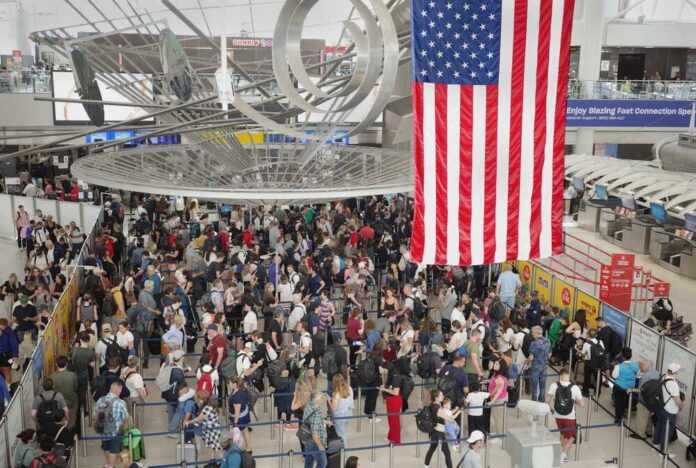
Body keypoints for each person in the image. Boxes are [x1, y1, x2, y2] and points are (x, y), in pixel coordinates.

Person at [546, 368, 584, 463]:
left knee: (563, 434)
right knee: (573, 435)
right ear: (569, 376)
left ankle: (563, 452)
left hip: (557, 415)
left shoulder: (554, 385)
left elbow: (546, 400)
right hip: (569, 416)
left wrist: (551, 409)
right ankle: (562, 455)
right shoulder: (574, 388)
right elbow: (582, 404)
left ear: (560, 376)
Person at [93, 381, 129, 468]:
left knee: (106, 448)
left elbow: (94, 417)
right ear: (117, 391)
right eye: (120, 390)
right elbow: (125, 417)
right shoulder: (120, 402)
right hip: (114, 431)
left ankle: (109, 464)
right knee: (113, 450)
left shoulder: (100, 400)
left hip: (102, 430)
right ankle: (111, 466)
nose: (120, 392)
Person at [184, 390, 223, 463]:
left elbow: (199, 418)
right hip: (209, 429)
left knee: (217, 448)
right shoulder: (208, 405)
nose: (198, 400)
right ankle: (212, 462)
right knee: (211, 447)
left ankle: (225, 462)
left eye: (199, 399)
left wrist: (188, 422)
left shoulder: (207, 408)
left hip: (212, 430)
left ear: (204, 399)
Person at [652, 363, 683, 455]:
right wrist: (681, 407)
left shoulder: (663, 377)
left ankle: (655, 444)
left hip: (662, 407)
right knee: (667, 431)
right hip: (670, 411)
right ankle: (663, 452)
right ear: (675, 372)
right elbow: (677, 400)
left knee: (659, 426)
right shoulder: (673, 384)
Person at [423, 390, 456, 468]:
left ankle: (426, 465)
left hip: (434, 432)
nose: (443, 396)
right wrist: (453, 419)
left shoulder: (432, 405)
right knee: (447, 453)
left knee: (432, 449)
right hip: (439, 433)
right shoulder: (437, 408)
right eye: (441, 395)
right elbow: (448, 418)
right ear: (436, 398)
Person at [630, 360, 659, 441]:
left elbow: (641, 389)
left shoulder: (646, 376)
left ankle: (640, 434)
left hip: (644, 400)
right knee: (649, 416)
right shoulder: (657, 373)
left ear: (647, 366)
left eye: (642, 365)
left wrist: (631, 389)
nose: (641, 366)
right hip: (653, 400)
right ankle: (649, 432)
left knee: (641, 417)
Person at [161, 350, 187, 438]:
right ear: (181, 358)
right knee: (179, 410)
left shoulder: (169, 366)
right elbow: (182, 384)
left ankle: (172, 429)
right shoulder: (178, 371)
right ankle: (172, 429)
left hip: (167, 393)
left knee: (171, 410)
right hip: (175, 394)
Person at [50, 356, 78, 431]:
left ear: (56, 364)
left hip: (58, 405)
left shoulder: (52, 376)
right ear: (66, 364)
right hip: (71, 402)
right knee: (71, 421)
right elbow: (75, 387)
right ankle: (71, 436)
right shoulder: (72, 375)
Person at [611, 347, 638, 424]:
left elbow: (614, 376)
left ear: (622, 356)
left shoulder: (619, 366)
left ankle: (618, 419)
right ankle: (625, 411)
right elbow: (638, 375)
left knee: (618, 403)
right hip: (630, 387)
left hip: (620, 387)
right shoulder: (635, 365)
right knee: (626, 400)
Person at [303, 389, 328, 468]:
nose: (323, 399)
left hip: (306, 438)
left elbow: (311, 421)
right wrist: (320, 446)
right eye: (321, 398)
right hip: (314, 442)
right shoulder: (316, 412)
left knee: (309, 462)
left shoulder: (308, 405)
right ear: (317, 400)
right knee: (323, 462)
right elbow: (314, 433)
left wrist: (323, 421)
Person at [527, 326, 552, 402]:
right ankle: (541, 399)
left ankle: (534, 400)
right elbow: (549, 354)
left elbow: (531, 357)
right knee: (543, 384)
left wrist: (527, 361)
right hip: (544, 365)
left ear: (537, 333)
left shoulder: (534, 343)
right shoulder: (548, 341)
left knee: (534, 385)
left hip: (535, 366)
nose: (532, 334)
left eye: (533, 332)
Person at [328, 373, 353, 447]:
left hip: (340, 416)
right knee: (343, 431)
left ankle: (344, 452)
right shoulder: (349, 388)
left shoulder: (336, 394)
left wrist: (329, 400)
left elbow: (334, 409)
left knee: (341, 434)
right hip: (349, 413)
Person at [227, 376, 252, 451]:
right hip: (243, 414)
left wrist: (235, 423)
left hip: (240, 417)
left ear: (235, 384)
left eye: (230, 383)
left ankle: (243, 448)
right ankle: (248, 447)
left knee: (240, 432)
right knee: (245, 430)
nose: (229, 384)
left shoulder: (237, 396)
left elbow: (237, 411)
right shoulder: (239, 390)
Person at [0, 317, 19, 385]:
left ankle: (9, 387)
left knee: (6, 370)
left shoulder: (9, 331)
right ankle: (3, 384)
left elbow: (14, 344)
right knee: (2, 369)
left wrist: (15, 355)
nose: (2, 328)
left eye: (3, 327)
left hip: (7, 353)